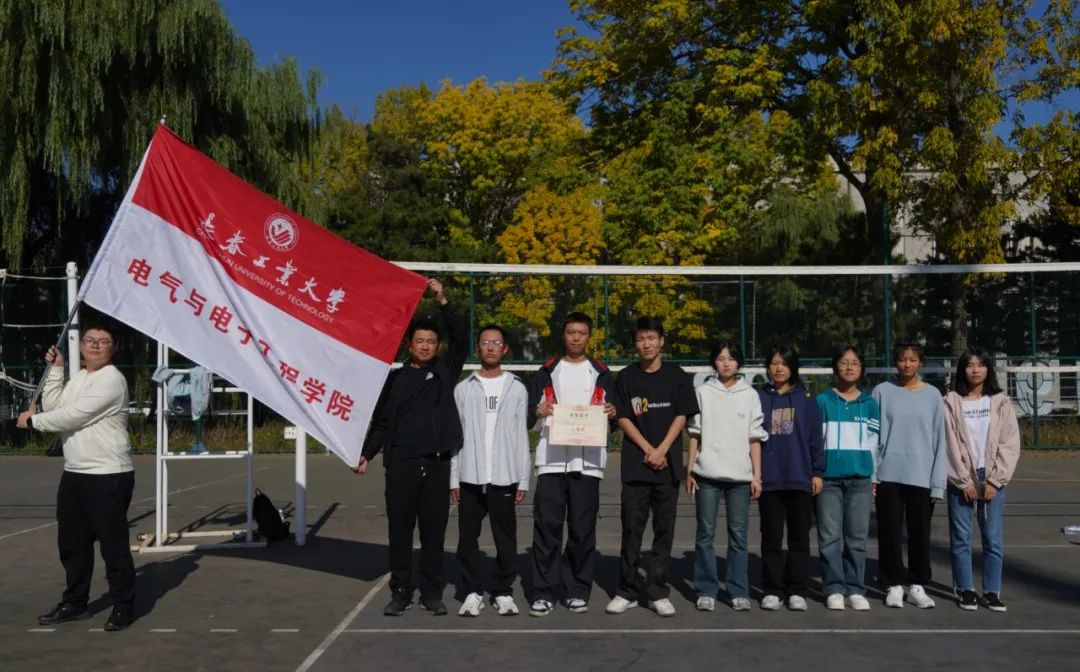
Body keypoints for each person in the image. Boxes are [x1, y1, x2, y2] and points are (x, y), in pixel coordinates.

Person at [356, 279, 466, 617]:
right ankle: (401, 591)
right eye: (420, 341)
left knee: (434, 534)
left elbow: (461, 336)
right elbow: (382, 423)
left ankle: (431, 592)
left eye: (431, 341)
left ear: (437, 346)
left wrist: (443, 301)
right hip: (401, 466)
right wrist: (366, 453)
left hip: (436, 465)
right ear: (409, 345)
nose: (425, 346)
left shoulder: (446, 370)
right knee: (400, 532)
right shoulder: (394, 380)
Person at [18, 321, 136, 631]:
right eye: (90, 340)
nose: (95, 345)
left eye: (103, 341)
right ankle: (75, 602)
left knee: (113, 546)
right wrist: (57, 370)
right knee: (73, 544)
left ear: (114, 348)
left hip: (108, 474)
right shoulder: (80, 378)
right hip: (74, 474)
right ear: (81, 346)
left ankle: (123, 605)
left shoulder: (112, 380)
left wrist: (33, 421)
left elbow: (74, 416)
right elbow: (55, 405)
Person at [605, 317, 698, 617]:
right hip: (636, 467)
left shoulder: (677, 376)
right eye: (640, 339)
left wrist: (662, 450)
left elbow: (682, 415)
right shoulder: (625, 377)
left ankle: (658, 591)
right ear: (635, 344)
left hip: (667, 467)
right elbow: (622, 417)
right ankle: (627, 591)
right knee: (631, 531)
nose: (646, 344)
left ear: (662, 341)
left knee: (663, 531)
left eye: (651, 338)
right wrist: (648, 449)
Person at [527, 311, 616, 617]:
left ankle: (577, 590)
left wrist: (613, 412)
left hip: (587, 462)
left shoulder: (601, 372)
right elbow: (529, 414)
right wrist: (537, 411)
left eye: (582, 333)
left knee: (582, 530)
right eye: (571, 332)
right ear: (563, 335)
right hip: (551, 461)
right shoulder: (546, 371)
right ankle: (544, 592)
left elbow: (614, 418)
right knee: (547, 528)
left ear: (589, 337)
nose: (576, 338)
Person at [451, 324, 531, 617]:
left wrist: (523, 478)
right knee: (466, 539)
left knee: (505, 539)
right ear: (478, 348)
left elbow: (521, 435)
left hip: (504, 476)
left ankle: (502, 591)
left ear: (505, 349)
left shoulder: (517, 387)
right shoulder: (463, 388)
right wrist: (454, 477)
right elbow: (456, 436)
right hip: (470, 477)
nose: (490, 347)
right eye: (485, 342)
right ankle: (471, 592)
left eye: (496, 343)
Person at [686, 340, 766, 612]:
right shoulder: (703, 392)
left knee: (738, 536)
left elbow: (755, 438)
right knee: (705, 534)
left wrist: (757, 476)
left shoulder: (750, 395)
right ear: (714, 363)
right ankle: (705, 589)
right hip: (706, 474)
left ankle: (737, 590)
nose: (726, 363)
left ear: (739, 362)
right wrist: (690, 469)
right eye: (721, 358)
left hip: (740, 478)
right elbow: (695, 433)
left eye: (731, 358)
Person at [944, 348, 1021, 612]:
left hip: (990, 478)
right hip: (962, 478)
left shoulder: (1000, 402)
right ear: (962, 370)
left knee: (993, 540)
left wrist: (995, 481)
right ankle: (965, 590)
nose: (975, 370)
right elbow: (948, 444)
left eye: (981, 365)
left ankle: (991, 592)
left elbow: (1010, 443)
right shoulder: (951, 402)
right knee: (961, 538)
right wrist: (962, 480)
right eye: (970, 365)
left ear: (988, 369)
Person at [873, 341, 948, 609]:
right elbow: (873, 436)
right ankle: (893, 584)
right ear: (895, 362)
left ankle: (917, 585)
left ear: (920, 363)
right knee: (889, 532)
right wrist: (873, 475)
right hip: (888, 476)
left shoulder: (933, 395)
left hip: (921, 477)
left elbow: (940, 440)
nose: (907, 364)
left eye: (913, 359)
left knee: (920, 533)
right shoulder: (881, 391)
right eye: (902, 359)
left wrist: (937, 484)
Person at [757, 345, 824, 611]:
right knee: (771, 537)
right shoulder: (759, 398)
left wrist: (817, 471)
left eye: (784, 363)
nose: (778, 368)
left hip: (800, 478)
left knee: (799, 538)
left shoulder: (806, 399)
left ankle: (797, 589)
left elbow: (815, 438)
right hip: (770, 480)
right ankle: (772, 589)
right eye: (774, 363)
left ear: (793, 367)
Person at [815, 345, 880, 611]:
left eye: (855, 362)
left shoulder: (870, 404)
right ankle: (833, 588)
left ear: (862, 368)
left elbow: (874, 443)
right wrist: (816, 473)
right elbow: (815, 442)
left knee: (856, 538)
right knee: (829, 536)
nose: (849, 367)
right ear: (836, 367)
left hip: (860, 481)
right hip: (828, 480)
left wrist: (873, 477)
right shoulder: (822, 401)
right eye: (844, 362)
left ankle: (854, 588)